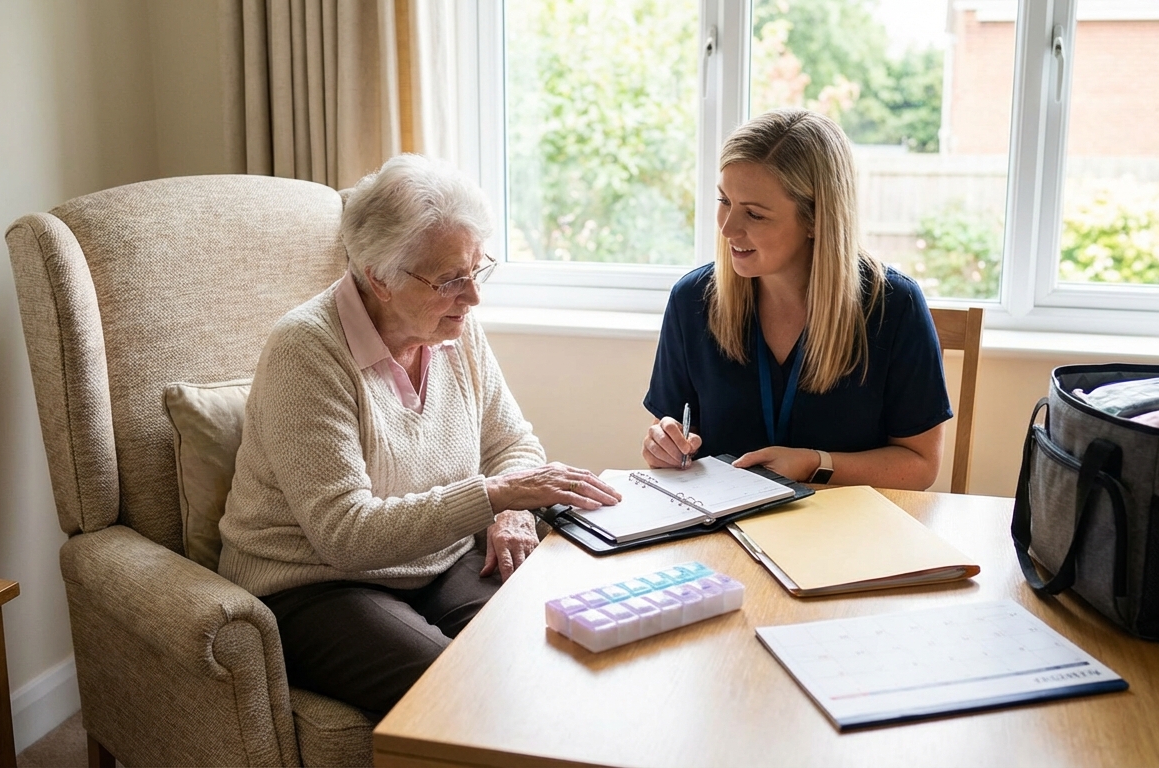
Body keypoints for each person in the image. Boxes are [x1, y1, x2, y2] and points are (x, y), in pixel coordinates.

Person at [218, 153, 620, 719]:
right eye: (451, 279)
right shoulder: (306, 351)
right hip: (316, 584)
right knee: (457, 694)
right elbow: (345, 534)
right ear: (379, 276)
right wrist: (498, 495)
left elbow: (511, 443)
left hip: (439, 561)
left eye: (477, 270)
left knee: (548, 650)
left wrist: (512, 514)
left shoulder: (453, 328)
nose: (473, 297)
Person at [642, 108, 951, 490]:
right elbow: (671, 431)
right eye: (724, 201)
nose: (727, 228)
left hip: (847, 530)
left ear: (816, 219)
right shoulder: (692, 300)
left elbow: (919, 466)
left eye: (754, 214)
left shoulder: (894, 306)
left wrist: (813, 464)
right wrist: (663, 446)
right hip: (724, 533)